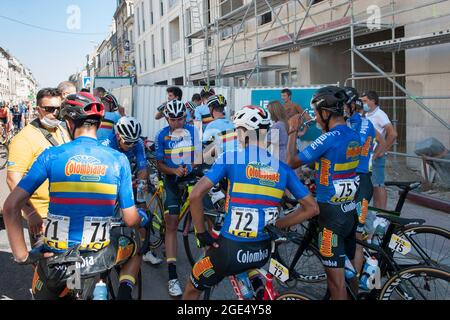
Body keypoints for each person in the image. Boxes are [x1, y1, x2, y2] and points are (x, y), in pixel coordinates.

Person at [2, 92, 144, 300]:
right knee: (136, 245)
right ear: (98, 123)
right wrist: (142, 217)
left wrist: (23, 256)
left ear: (69, 122)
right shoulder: (118, 159)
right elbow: (131, 220)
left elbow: (11, 206)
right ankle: (124, 293)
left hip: (55, 259)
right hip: (97, 257)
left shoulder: (51, 155)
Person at [182, 105, 319, 300]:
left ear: (242, 132)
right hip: (262, 251)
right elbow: (312, 208)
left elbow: (195, 196)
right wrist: (278, 224)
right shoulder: (282, 168)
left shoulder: (230, 158)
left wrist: (201, 233)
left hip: (230, 250)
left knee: (191, 288)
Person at [287, 86, 361, 300]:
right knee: (348, 272)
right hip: (349, 211)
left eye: (317, 114)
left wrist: (293, 130)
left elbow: (291, 162)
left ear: (326, 113)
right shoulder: (353, 134)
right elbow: (333, 164)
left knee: (335, 283)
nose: (316, 120)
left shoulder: (328, 138)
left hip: (330, 216)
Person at [6, 88, 70, 248]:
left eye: (58, 108)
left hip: (66, 210)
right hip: (43, 215)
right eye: (49, 109)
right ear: (37, 109)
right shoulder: (24, 139)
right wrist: (31, 213)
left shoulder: (62, 130)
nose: (55, 113)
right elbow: (13, 180)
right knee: (47, 269)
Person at [101, 116, 163, 266]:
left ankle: (145, 250)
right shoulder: (107, 144)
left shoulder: (137, 142)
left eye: (134, 142)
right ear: (118, 136)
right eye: (127, 142)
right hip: (110, 177)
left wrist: (141, 188)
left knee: (142, 209)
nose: (131, 145)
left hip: (130, 173)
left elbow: (142, 169)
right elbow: (104, 176)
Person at [154, 99, 202, 296]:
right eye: (173, 120)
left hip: (191, 176)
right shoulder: (161, 135)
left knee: (205, 214)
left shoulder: (193, 131)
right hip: (172, 179)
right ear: (167, 118)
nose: (177, 123)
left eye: (180, 119)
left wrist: (190, 166)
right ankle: (173, 277)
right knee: (172, 223)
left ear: (186, 116)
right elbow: (159, 163)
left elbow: (199, 155)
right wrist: (173, 170)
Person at [343, 87, 385, 277]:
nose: (341, 108)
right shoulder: (361, 122)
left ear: (352, 105)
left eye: (343, 105)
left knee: (355, 236)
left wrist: (374, 157)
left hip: (358, 183)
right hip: (357, 182)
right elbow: (382, 140)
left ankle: (355, 281)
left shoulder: (354, 125)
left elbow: (347, 149)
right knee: (353, 235)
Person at [360, 91, 398, 210]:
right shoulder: (367, 115)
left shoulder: (380, 114)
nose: (363, 103)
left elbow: (393, 134)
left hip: (376, 156)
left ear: (373, 101)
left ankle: (381, 213)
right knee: (373, 185)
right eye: (361, 101)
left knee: (379, 184)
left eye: (365, 101)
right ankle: (376, 212)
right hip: (368, 156)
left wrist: (382, 151)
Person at [202, 95, 236, 163]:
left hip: (223, 163)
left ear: (211, 109)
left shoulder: (211, 126)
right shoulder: (232, 124)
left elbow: (205, 149)